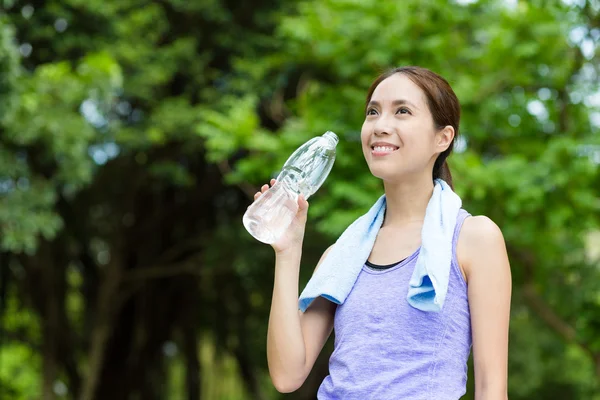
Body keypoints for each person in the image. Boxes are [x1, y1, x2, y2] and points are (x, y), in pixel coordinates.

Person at [257, 66, 512, 399]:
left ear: (443, 138)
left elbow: (492, 389)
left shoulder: (473, 238)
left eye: (402, 111)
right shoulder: (342, 255)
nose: (380, 126)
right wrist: (287, 251)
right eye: (372, 112)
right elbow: (287, 374)